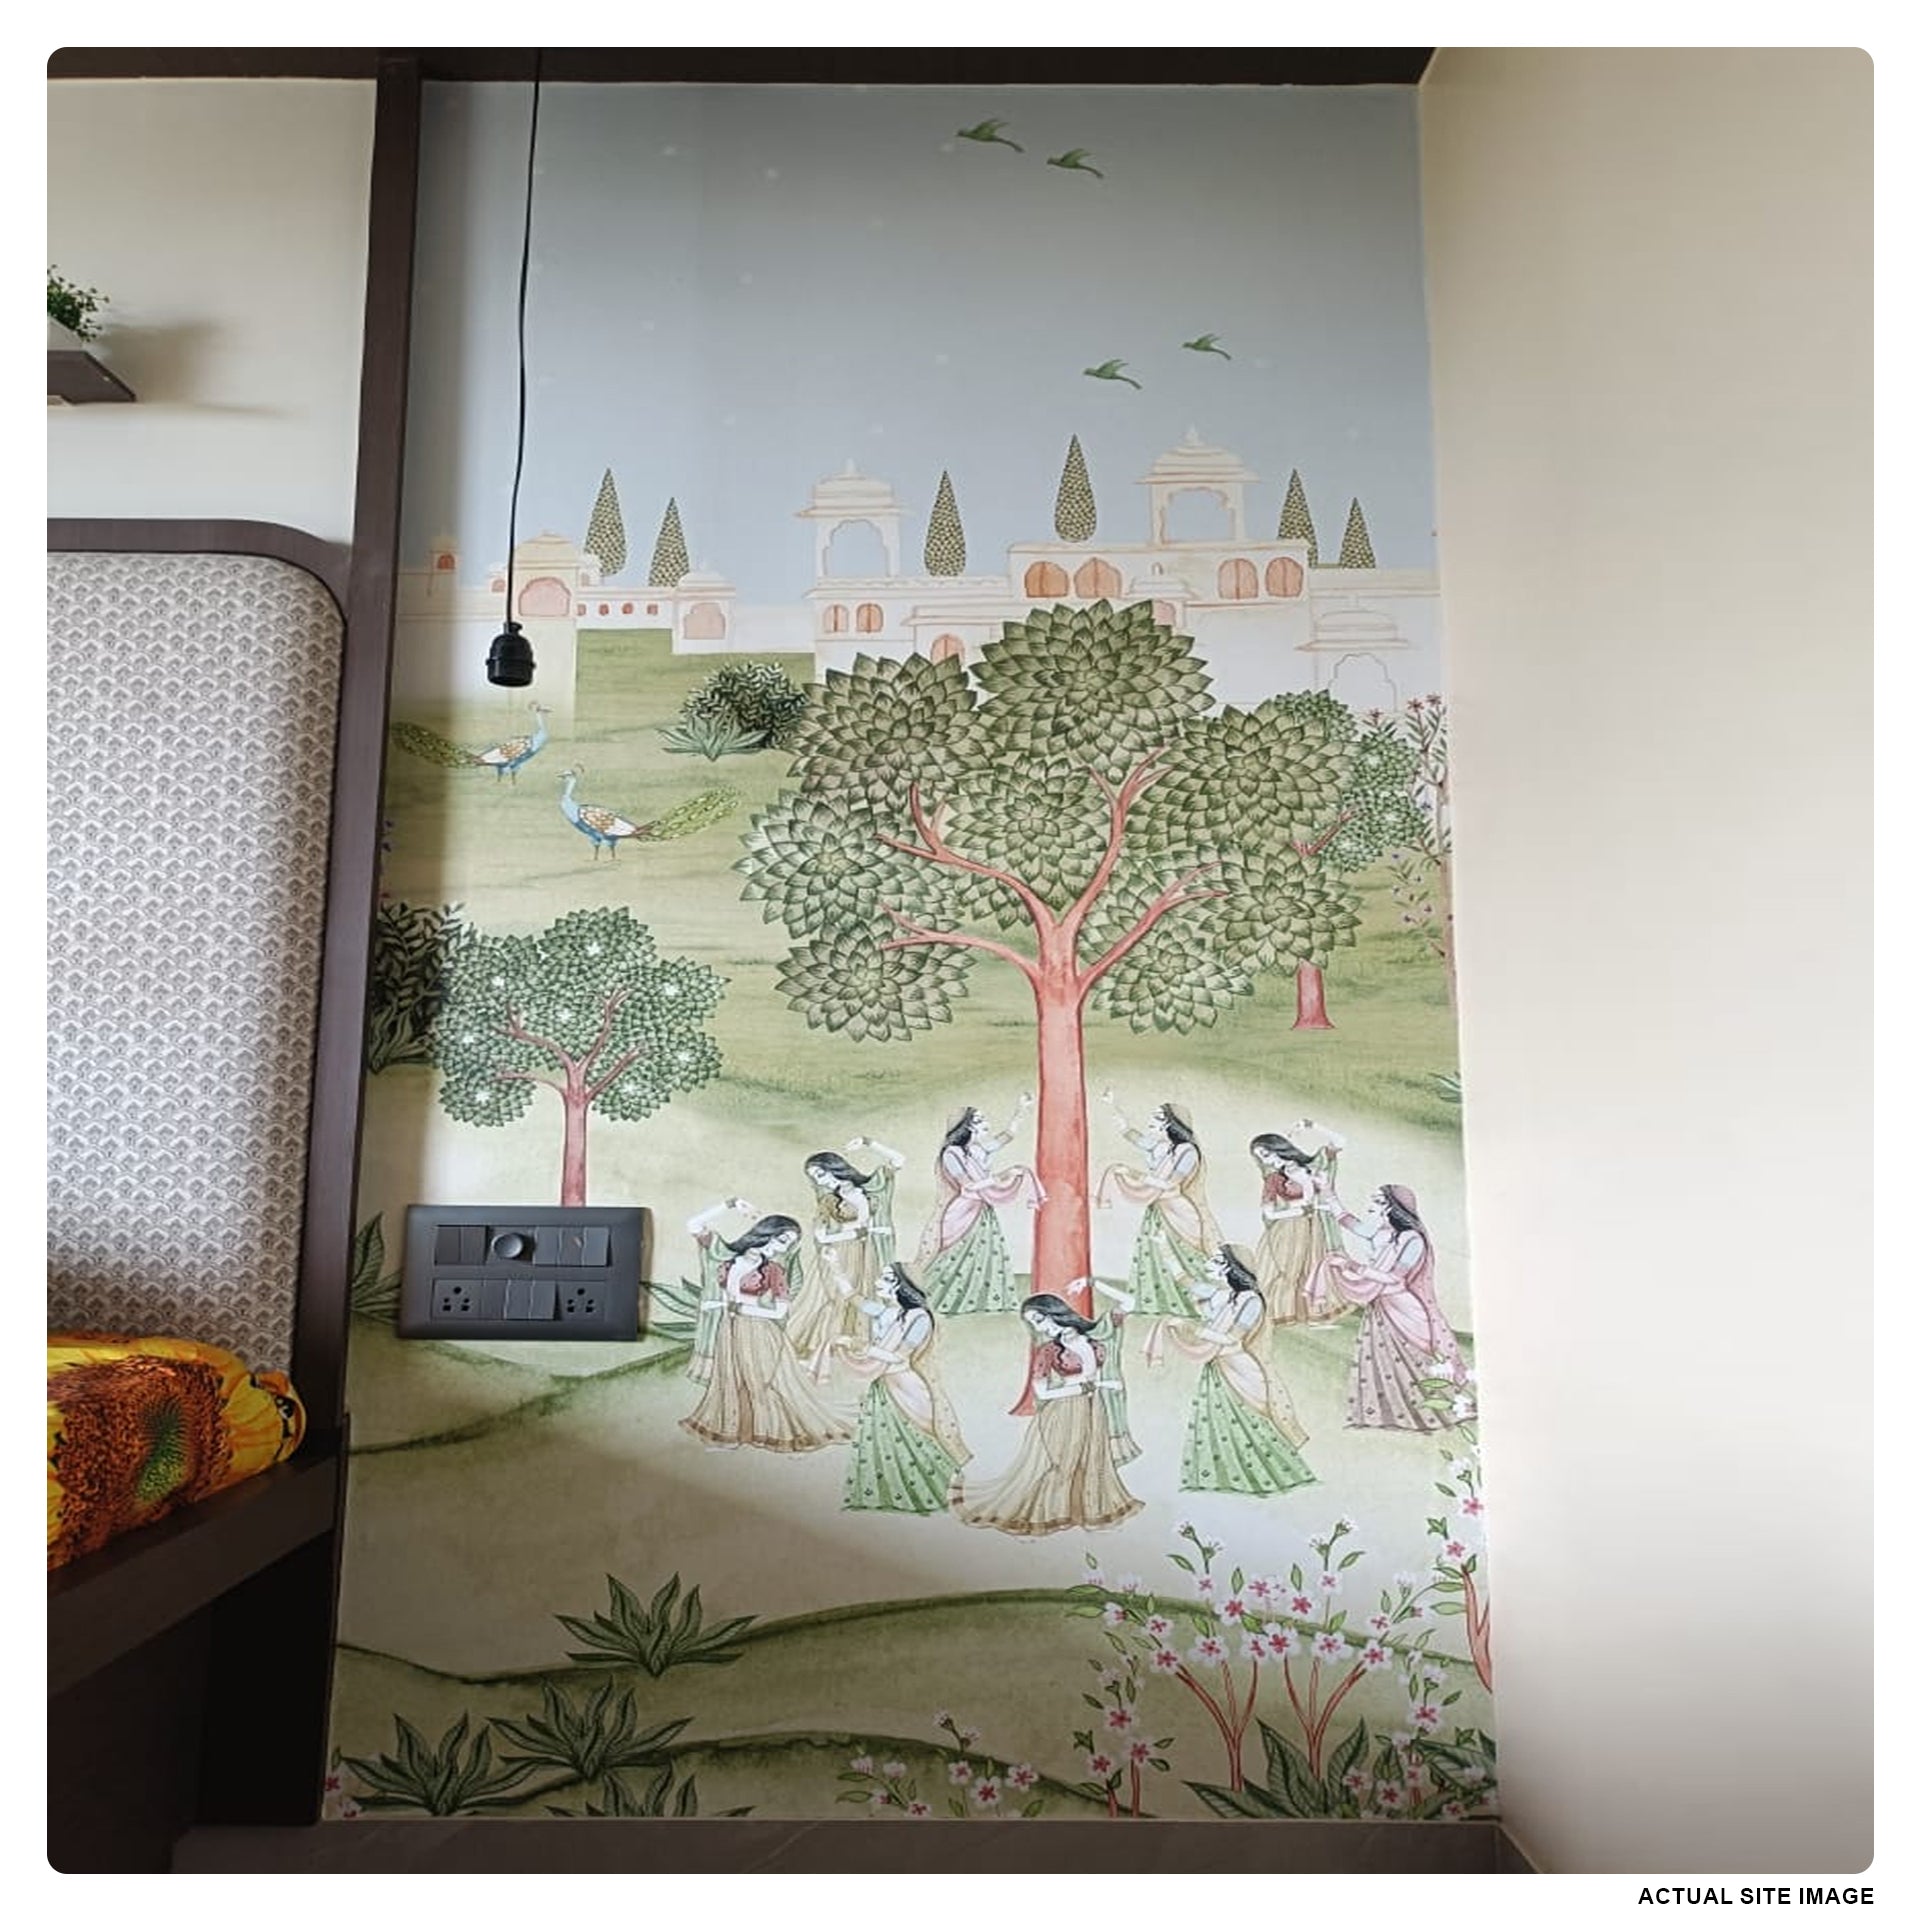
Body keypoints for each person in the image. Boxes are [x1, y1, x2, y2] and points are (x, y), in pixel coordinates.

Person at [954, 1293, 1143, 1536]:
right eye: (1033, 1324)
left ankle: (1084, 1512)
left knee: (1092, 1460)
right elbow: (1042, 1391)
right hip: (1065, 1410)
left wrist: (1092, 1285)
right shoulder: (1049, 1350)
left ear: (1054, 1312)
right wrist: (1084, 1388)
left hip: (1095, 1408)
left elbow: (1129, 1303)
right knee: (1063, 1463)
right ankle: (1049, 1514)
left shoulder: (1096, 1337)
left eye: (1039, 1320)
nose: (1039, 1328)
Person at [680, 1213, 855, 1452]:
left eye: (788, 1245)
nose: (782, 1249)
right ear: (767, 1233)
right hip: (729, 1329)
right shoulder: (727, 1259)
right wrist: (730, 1206)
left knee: (761, 1382)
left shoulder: (773, 1270)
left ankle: (770, 1431)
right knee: (730, 1379)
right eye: (782, 1240)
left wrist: (741, 1308)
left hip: (759, 1331)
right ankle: (733, 1433)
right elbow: (693, 1224)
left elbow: (780, 1311)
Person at [1308, 1182, 1470, 1432]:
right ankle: (1388, 1416)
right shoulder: (1385, 1233)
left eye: (1378, 1201)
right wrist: (1328, 1193)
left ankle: (1433, 1416)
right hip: (1381, 1304)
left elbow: (1395, 1279)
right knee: (1381, 1361)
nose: (1371, 1206)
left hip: (1402, 1308)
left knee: (1413, 1362)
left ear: (1393, 1208)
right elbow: (1350, 1222)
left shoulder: (1412, 1240)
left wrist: (1353, 1267)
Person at [1154, 1246, 1315, 1495]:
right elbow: (1187, 1282)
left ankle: (1270, 1477)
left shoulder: (1251, 1302)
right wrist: (1165, 1250)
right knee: (1215, 1424)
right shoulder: (1224, 1295)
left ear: (1233, 1269)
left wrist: (1191, 1328)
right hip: (1218, 1366)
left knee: (1249, 1423)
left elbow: (1231, 1339)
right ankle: (1221, 1477)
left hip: (1239, 1370)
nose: (1209, 1263)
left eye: (1217, 1261)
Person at [833, 1263, 971, 1513]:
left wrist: (861, 1346)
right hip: (884, 1385)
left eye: (886, 1279)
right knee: (881, 1444)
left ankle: (933, 1495)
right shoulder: (892, 1313)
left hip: (905, 1387)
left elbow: (898, 1357)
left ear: (903, 1286)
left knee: (917, 1441)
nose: (878, 1283)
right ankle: (886, 1496)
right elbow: (854, 1298)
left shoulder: (919, 1318)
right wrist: (834, 1265)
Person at [918, 1098, 1045, 1314]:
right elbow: (969, 1186)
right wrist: (1002, 1176)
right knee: (957, 1257)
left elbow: (1007, 1136)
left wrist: (1021, 1109)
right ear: (966, 1127)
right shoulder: (951, 1153)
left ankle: (980, 1301)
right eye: (979, 1120)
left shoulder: (976, 1150)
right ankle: (939, 1300)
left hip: (982, 1209)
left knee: (985, 1256)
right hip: (963, 1212)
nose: (986, 1122)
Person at [789, 1139, 904, 1375]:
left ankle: (847, 1343)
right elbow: (820, 1233)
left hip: (866, 1252)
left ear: (835, 1167)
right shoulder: (830, 1199)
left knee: (858, 1293)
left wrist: (868, 1143)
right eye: (815, 1178)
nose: (821, 1181)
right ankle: (820, 1346)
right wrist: (853, 1232)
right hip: (839, 1252)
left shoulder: (870, 1187)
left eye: (821, 1173)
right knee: (833, 1296)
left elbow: (898, 1160)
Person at [1096, 1095, 1216, 1319]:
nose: (1152, 1120)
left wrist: (1132, 1173)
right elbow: (1132, 1135)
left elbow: (1169, 1183)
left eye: (1158, 1118)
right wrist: (1114, 1106)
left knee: (1184, 1254)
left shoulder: (1187, 1151)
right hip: (1157, 1207)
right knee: (1153, 1252)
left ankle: (1202, 1305)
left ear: (1172, 1124)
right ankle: (1159, 1303)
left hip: (1177, 1211)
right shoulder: (1163, 1147)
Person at [1249, 1126, 1348, 1326]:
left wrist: (1311, 1126)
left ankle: (1312, 1313)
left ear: (1279, 1147)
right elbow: (1268, 1212)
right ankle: (1280, 1313)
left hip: (1316, 1227)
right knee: (1287, 1270)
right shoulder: (1275, 1179)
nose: (1267, 1161)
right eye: (1261, 1158)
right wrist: (1298, 1211)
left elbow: (1340, 1141)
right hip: (1289, 1229)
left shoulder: (1314, 1166)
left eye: (1266, 1154)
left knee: (1313, 1270)